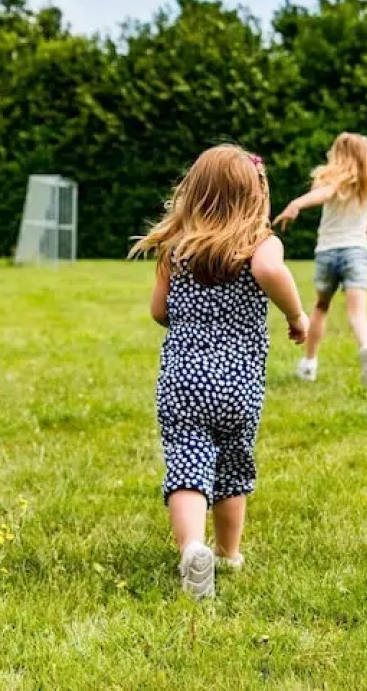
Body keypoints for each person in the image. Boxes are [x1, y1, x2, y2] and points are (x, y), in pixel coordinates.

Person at [130, 145, 310, 599]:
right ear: (256, 195)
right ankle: (228, 554)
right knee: (233, 466)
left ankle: (193, 547)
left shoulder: (177, 247)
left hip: (182, 380)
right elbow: (269, 270)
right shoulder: (260, 243)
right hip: (239, 386)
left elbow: (159, 312)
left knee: (187, 465)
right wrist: (295, 315)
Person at [273, 132, 367, 388]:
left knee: (321, 307)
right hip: (356, 252)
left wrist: (296, 204)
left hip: (327, 252)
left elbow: (324, 193)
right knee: (358, 314)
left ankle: (309, 364)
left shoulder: (335, 183)